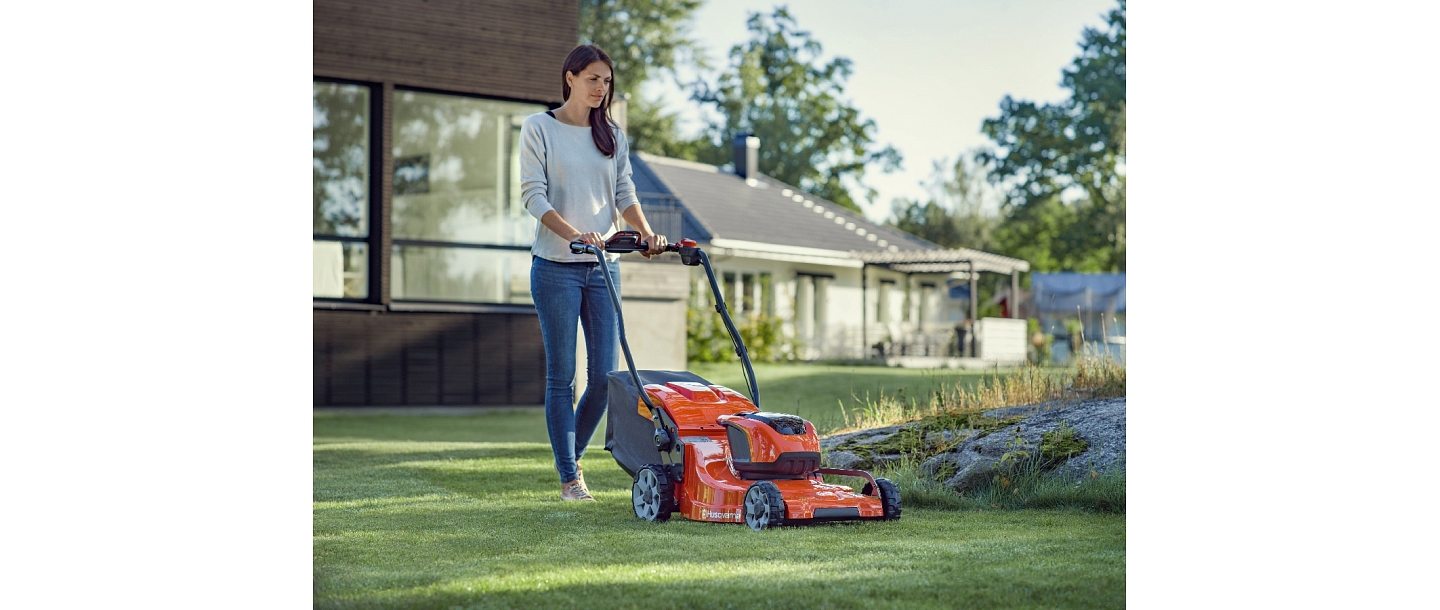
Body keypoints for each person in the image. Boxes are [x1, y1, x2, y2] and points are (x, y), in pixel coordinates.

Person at [520, 44, 667, 502]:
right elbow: (533, 196)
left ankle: (570, 456)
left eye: (606, 81)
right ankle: (570, 478)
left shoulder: (612, 135)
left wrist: (646, 233)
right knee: (562, 377)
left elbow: (624, 192)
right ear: (570, 78)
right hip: (556, 269)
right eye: (593, 79)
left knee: (605, 378)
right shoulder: (539, 127)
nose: (601, 88)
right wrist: (574, 235)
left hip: (605, 269)